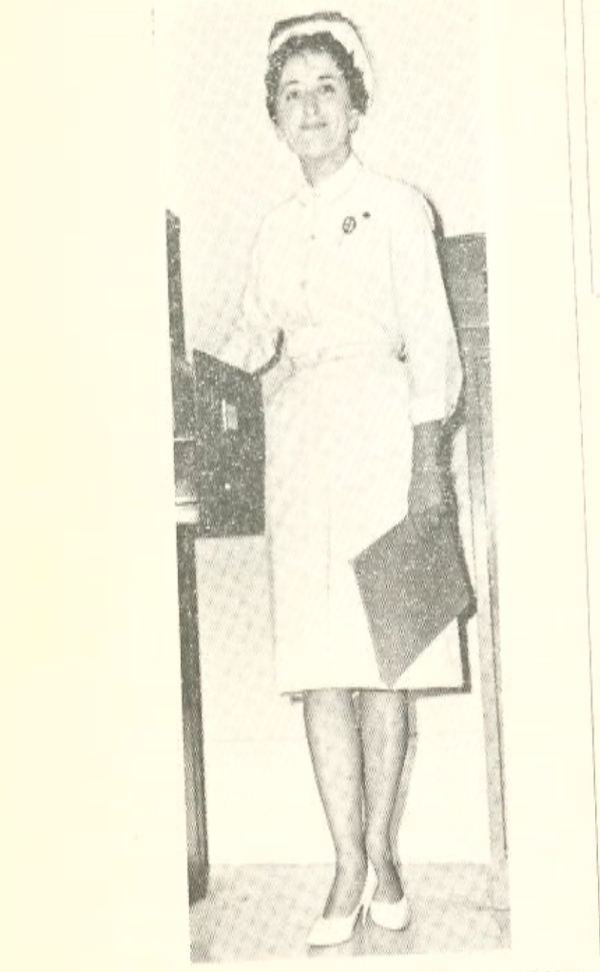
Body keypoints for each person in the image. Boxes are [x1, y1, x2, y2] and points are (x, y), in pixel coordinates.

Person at [218, 10, 464, 947]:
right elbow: (248, 341)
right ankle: (345, 865)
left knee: (385, 660)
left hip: (385, 435)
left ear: (354, 104)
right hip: (302, 447)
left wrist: (428, 467)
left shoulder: (400, 206)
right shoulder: (275, 229)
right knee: (320, 668)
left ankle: (385, 852)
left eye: (326, 87)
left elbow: (434, 345)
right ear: (275, 117)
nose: (310, 107)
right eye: (292, 93)